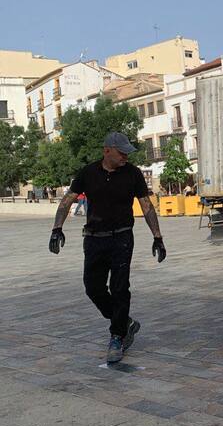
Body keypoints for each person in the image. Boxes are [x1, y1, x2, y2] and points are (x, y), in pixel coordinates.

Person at [48, 131, 167, 364]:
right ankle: (126, 323)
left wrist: (157, 237)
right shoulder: (88, 172)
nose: (125, 156)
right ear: (107, 151)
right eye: (121, 152)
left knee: (120, 288)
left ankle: (117, 337)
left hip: (122, 238)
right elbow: (67, 200)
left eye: (127, 153)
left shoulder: (133, 174)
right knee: (93, 288)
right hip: (93, 238)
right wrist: (56, 229)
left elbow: (147, 206)